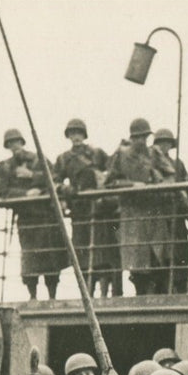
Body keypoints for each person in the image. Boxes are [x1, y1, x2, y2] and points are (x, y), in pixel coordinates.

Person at [53, 118, 123, 299]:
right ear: (68, 136)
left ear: (84, 135)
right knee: (82, 252)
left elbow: (112, 169)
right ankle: (87, 293)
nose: (76, 136)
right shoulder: (63, 158)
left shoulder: (96, 153)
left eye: (78, 133)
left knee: (104, 252)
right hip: (80, 210)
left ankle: (106, 292)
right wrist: (65, 189)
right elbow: (54, 181)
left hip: (100, 209)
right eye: (72, 133)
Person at [107, 118, 177, 296]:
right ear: (132, 137)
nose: (141, 141)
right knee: (137, 261)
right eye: (137, 137)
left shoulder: (154, 153)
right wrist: (131, 185)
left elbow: (171, 175)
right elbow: (110, 183)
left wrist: (160, 183)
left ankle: (155, 295)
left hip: (154, 213)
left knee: (158, 257)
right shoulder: (121, 155)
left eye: (144, 137)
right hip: (133, 214)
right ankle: (141, 294)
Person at [0, 128, 65, 300]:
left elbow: (54, 179)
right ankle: (32, 296)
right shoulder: (5, 166)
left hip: (47, 215)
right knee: (29, 258)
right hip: (27, 219)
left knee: (51, 256)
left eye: (17, 142)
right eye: (11, 143)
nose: (15, 146)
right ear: (8, 146)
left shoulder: (39, 159)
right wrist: (25, 194)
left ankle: (52, 296)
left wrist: (32, 176)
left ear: (22, 142)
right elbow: (3, 192)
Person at [151, 127, 188, 294]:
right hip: (160, 215)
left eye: (167, 143)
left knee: (180, 254)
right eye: (161, 143)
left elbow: (185, 188)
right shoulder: (152, 164)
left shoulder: (177, 164)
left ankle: (180, 289)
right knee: (160, 257)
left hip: (177, 215)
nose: (164, 146)